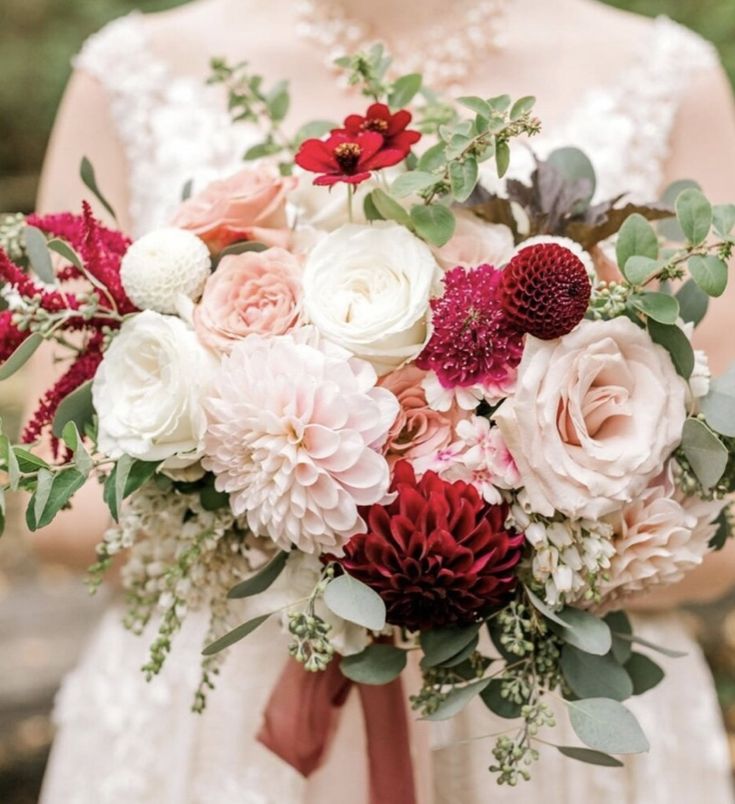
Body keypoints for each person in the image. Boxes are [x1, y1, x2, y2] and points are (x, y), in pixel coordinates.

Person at [32, 0, 735, 801]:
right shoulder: (127, 73)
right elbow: (60, 511)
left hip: (547, 723)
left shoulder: (669, 79)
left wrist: (471, 541)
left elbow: (720, 533)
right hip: (221, 720)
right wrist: (302, 498)